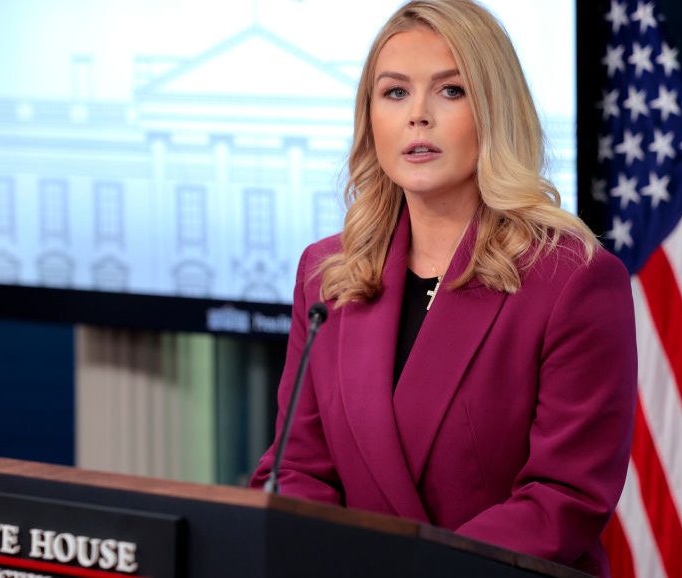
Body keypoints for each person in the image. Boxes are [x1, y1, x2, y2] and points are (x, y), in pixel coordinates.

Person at [249, 1, 637, 576]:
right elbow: (297, 469)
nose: (418, 116)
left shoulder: (573, 279)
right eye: (395, 92)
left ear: (495, 111)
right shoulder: (328, 272)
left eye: (451, 91)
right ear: (370, 118)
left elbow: (563, 499)